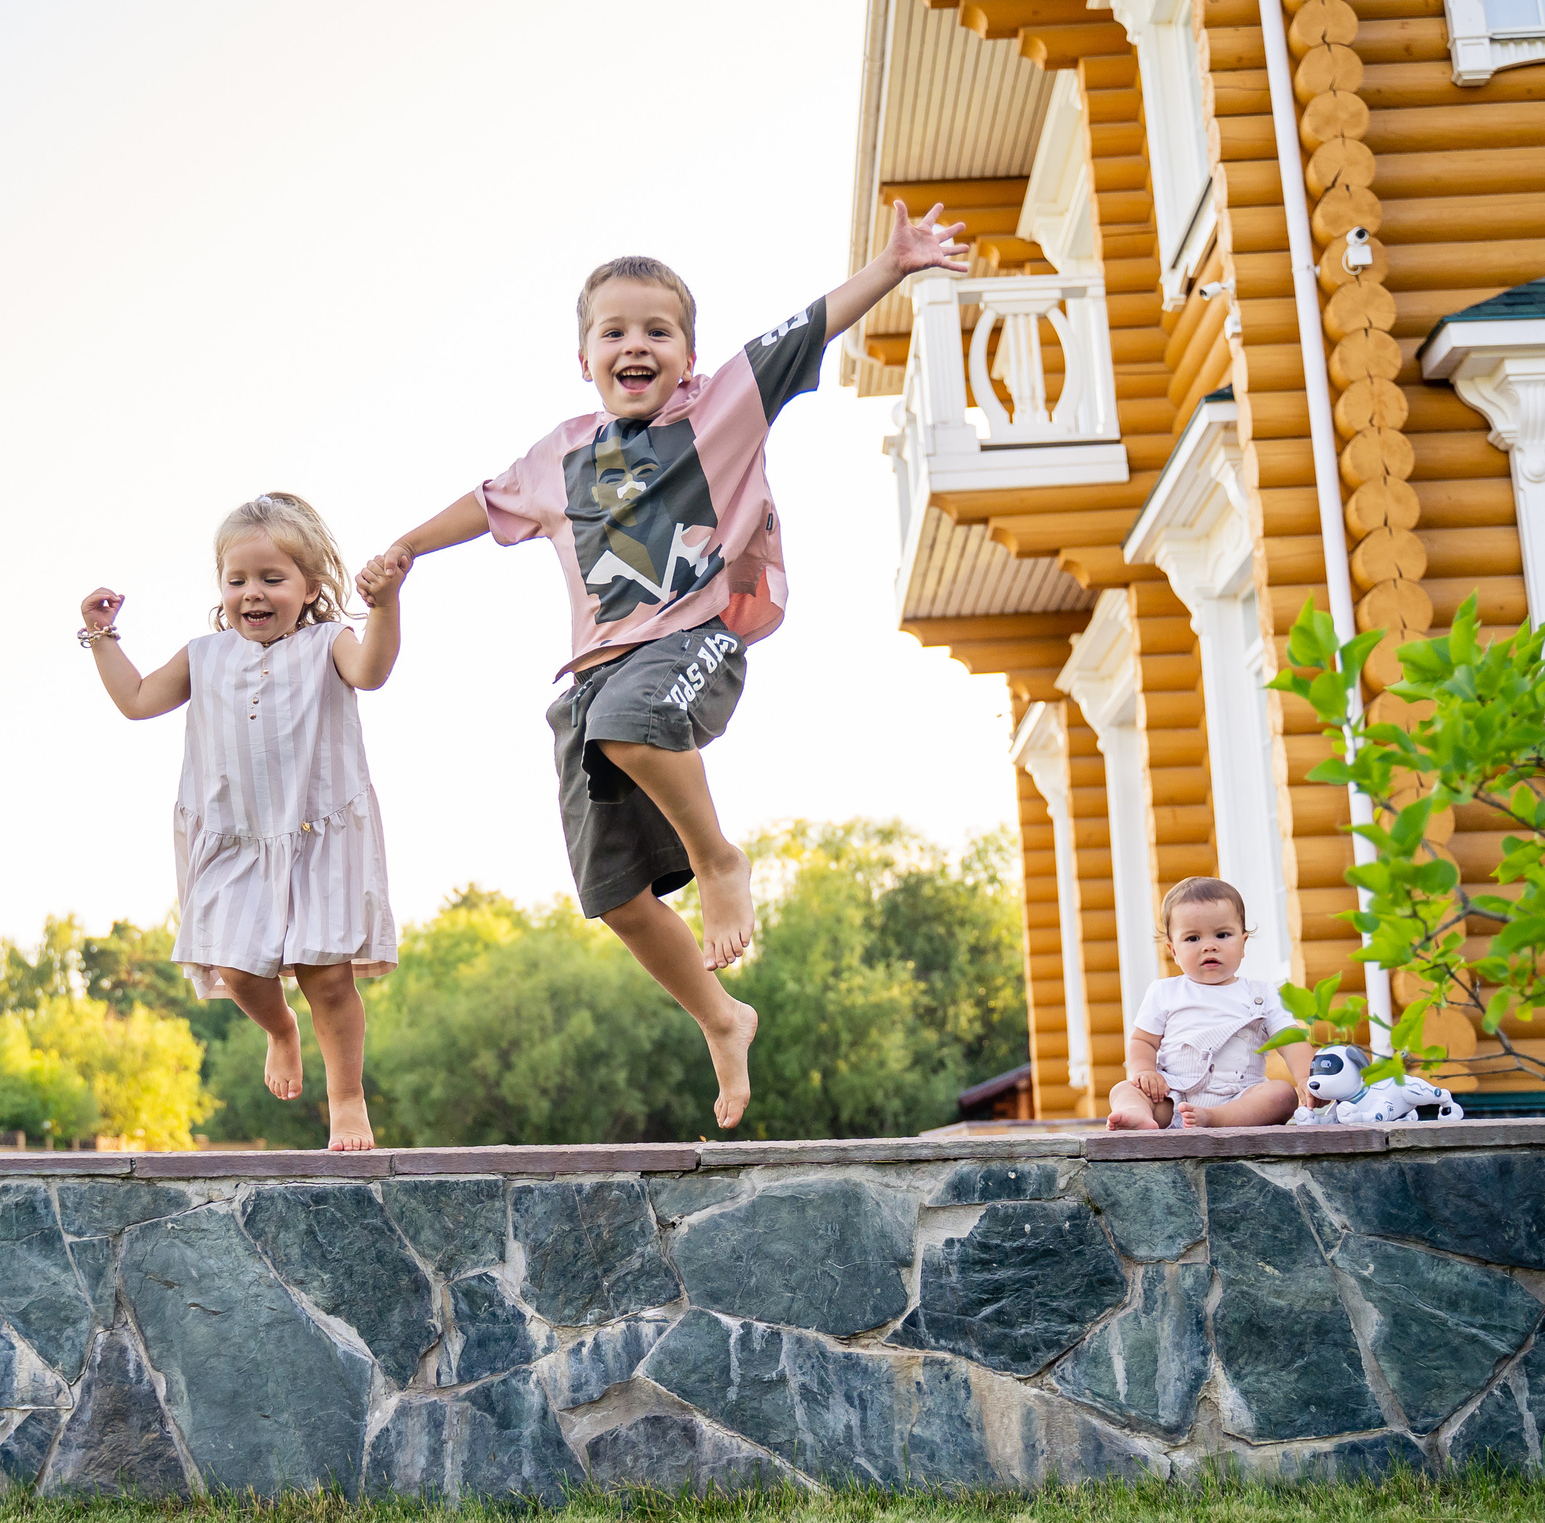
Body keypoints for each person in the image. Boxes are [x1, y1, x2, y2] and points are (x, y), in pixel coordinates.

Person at [359, 204, 972, 1128]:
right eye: (615, 332)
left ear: (690, 352)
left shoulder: (724, 403)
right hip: (591, 673)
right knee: (614, 895)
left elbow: (811, 323)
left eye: (659, 330)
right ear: (584, 358)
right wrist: (405, 546)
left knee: (629, 724)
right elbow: (482, 501)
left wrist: (892, 264)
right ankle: (722, 1017)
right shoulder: (557, 455)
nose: (635, 345)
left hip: (699, 638)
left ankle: (719, 856)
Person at [78, 492, 403, 1152]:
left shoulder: (327, 644)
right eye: (238, 579)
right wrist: (102, 637)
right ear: (221, 585)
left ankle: (346, 1098)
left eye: (271, 578)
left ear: (310, 585)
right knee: (234, 961)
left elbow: (371, 671)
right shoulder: (205, 655)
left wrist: (386, 607)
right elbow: (138, 700)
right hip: (232, 838)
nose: (252, 593)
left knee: (329, 978)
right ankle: (280, 1029)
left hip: (316, 836)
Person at [1108, 877, 1312, 1131]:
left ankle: (1214, 1119)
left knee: (1282, 1094)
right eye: (1193, 939)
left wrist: (1306, 1077)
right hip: (1173, 1097)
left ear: (1243, 943)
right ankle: (1137, 1115)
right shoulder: (1164, 991)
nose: (1209, 946)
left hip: (1239, 1100)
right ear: (1173, 950)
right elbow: (1143, 1041)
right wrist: (1145, 1071)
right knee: (1124, 1089)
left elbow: (1290, 1039)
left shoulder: (1261, 994)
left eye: (1222, 935)